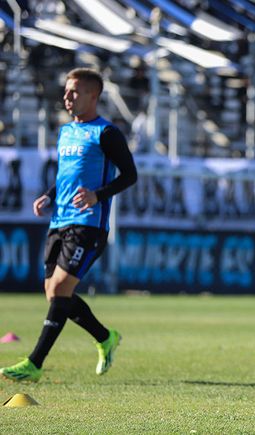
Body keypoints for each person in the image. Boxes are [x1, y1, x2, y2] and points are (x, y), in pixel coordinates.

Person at [0, 68, 137, 382]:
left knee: (61, 288)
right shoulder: (66, 131)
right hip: (59, 220)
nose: (67, 97)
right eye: (66, 91)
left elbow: (130, 175)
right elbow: (66, 174)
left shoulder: (106, 133)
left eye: (74, 92)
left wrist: (97, 196)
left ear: (93, 96)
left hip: (89, 223)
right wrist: (48, 195)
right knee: (54, 294)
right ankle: (105, 337)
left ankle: (34, 363)